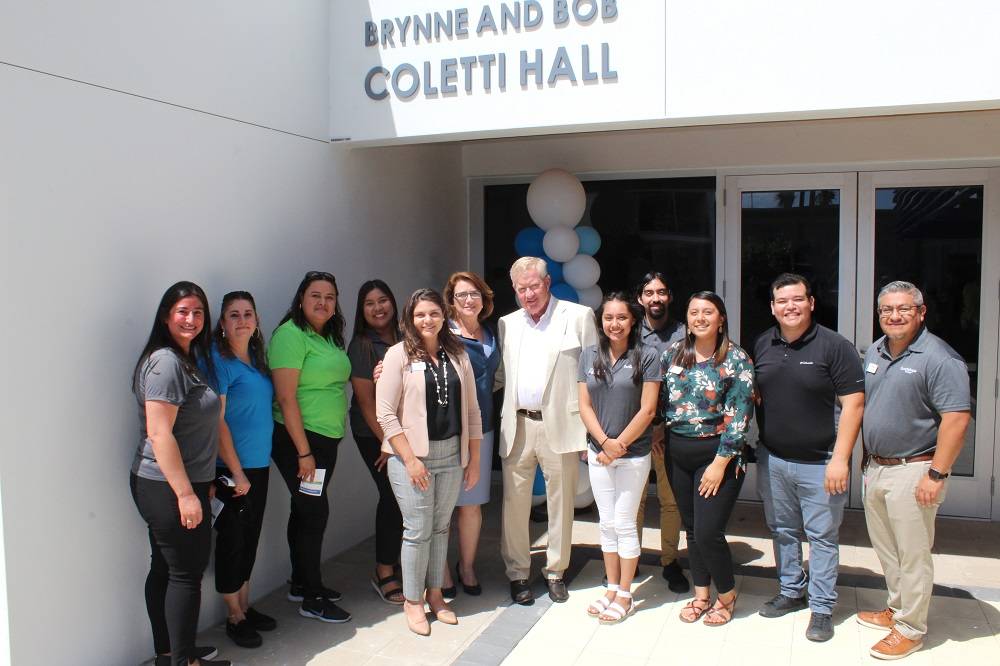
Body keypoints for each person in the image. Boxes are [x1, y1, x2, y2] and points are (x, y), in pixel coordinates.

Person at [858, 281, 971, 660]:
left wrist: (936, 474)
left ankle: (911, 629)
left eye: (903, 308)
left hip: (916, 469)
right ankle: (897, 608)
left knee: (913, 553)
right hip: (877, 467)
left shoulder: (940, 358)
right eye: (886, 310)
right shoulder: (876, 350)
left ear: (921, 312)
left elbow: (957, 419)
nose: (894, 316)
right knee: (888, 549)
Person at [751, 274, 864, 642]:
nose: (791, 307)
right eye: (782, 301)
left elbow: (854, 405)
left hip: (821, 463)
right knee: (782, 530)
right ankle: (791, 591)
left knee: (822, 537)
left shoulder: (836, 346)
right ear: (773, 307)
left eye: (798, 299)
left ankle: (822, 608)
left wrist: (840, 459)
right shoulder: (763, 343)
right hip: (773, 459)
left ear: (811, 303)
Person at [130, 281, 229, 666]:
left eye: (198, 312)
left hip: (179, 482)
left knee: (167, 568)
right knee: (186, 574)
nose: (191, 319)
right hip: (167, 485)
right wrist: (186, 494)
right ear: (166, 316)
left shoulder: (183, 359)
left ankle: (171, 654)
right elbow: (160, 434)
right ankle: (184, 661)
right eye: (183, 311)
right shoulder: (166, 363)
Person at [375, 289, 483, 636]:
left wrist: (474, 459)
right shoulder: (398, 355)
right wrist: (410, 460)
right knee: (418, 530)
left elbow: (472, 411)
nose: (428, 320)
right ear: (410, 318)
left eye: (434, 313)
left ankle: (436, 595)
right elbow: (385, 414)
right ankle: (412, 600)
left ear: (443, 315)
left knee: (440, 528)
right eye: (420, 314)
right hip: (412, 457)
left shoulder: (457, 353)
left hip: (451, 454)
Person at [496, 256, 598, 604]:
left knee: (561, 503)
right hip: (518, 425)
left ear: (548, 283)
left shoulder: (578, 316)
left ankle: (556, 571)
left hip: (563, 425)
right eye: (521, 289)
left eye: (534, 286)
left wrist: (592, 430)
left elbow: (593, 374)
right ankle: (517, 572)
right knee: (514, 505)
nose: (528, 294)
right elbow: (499, 376)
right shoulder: (507, 324)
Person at [662, 291, 754, 627]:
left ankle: (726, 595)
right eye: (694, 312)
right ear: (687, 319)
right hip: (677, 452)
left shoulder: (737, 359)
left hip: (717, 455)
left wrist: (719, 463)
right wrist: (657, 432)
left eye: (708, 312)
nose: (700, 318)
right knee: (691, 529)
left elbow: (740, 416)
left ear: (721, 319)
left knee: (708, 531)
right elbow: (661, 400)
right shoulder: (673, 354)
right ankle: (701, 595)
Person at [268, 271, 352, 624]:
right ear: (301, 298)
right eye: (315, 295)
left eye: (330, 297)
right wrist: (304, 453)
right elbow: (286, 398)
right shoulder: (290, 335)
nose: (323, 302)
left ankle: (301, 582)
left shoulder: (328, 336)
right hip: (300, 440)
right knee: (315, 513)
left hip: (324, 438)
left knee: (304, 510)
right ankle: (312, 597)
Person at [579, 293, 660, 624]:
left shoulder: (648, 355)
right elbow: (584, 404)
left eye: (622, 317)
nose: (615, 324)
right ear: (601, 321)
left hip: (633, 455)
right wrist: (603, 442)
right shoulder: (588, 355)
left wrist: (619, 445)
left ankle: (626, 593)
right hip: (598, 453)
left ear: (633, 320)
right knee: (606, 522)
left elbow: (649, 409)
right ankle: (611, 588)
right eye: (609, 317)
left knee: (625, 523)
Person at [207, 291, 277, 648]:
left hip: (258, 465)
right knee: (232, 542)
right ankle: (234, 616)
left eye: (248, 313)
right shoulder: (218, 361)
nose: (242, 320)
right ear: (222, 323)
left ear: (257, 320)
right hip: (231, 469)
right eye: (233, 315)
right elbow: (216, 421)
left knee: (250, 538)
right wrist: (237, 472)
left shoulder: (258, 360)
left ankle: (245, 608)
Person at [439, 272, 501, 598]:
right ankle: (441, 571)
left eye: (474, 293)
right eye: (461, 295)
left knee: (471, 504)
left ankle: (467, 566)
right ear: (451, 301)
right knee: (443, 505)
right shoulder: (442, 333)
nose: (468, 300)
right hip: (448, 430)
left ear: (484, 298)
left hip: (483, 427)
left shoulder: (491, 333)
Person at [346, 279, 405, 605]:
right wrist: (389, 444)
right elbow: (366, 402)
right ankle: (384, 570)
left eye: (382, 300)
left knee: (406, 498)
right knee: (392, 497)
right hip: (374, 434)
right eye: (369, 303)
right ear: (362, 310)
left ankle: (400, 560)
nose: (378, 308)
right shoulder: (361, 345)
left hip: (406, 431)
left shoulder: (406, 336)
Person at [633, 272, 689, 593]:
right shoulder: (629, 331)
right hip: (634, 430)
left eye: (661, 292)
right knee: (634, 500)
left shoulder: (685, 334)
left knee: (670, 501)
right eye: (649, 292)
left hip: (670, 431)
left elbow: (689, 384)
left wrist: (662, 427)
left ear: (669, 297)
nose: (656, 298)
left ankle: (670, 561)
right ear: (640, 298)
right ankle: (631, 559)